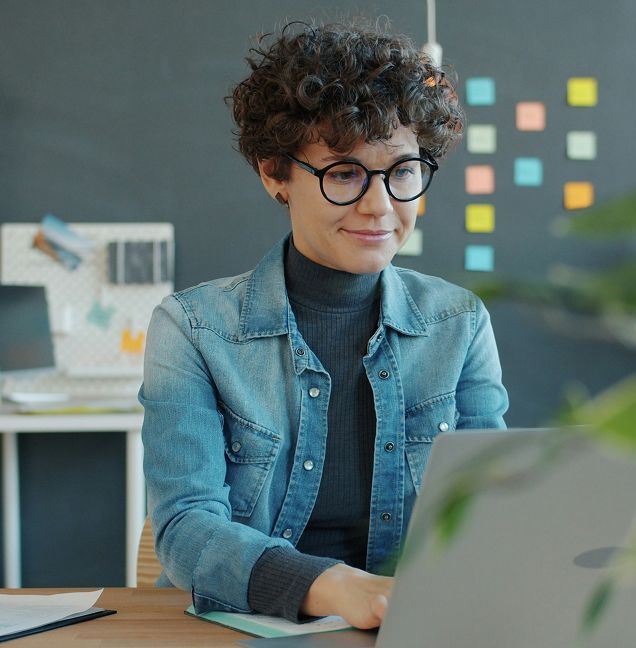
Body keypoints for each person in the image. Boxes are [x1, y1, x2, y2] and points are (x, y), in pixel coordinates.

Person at [139, 20, 509, 629]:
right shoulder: (193, 329)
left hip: (414, 625)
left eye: (403, 171)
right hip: (248, 625)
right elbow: (185, 529)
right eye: (343, 174)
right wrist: (338, 589)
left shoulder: (459, 322)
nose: (379, 205)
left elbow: (488, 509)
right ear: (274, 174)